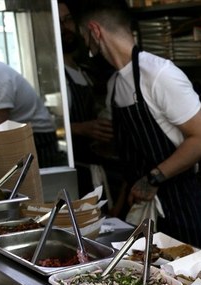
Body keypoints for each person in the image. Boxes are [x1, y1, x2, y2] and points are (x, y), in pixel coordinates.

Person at [72, 0, 201, 247]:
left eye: (85, 35)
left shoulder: (159, 74)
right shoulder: (115, 85)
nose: (86, 44)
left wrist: (153, 178)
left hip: (178, 205)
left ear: (95, 31)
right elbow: (135, 158)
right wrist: (116, 209)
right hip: (138, 207)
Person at [58, 0, 117, 200]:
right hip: (74, 173)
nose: (64, 27)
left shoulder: (86, 71)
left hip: (100, 167)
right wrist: (79, 128)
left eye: (67, 20)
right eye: (57, 23)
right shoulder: (53, 76)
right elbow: (40, 128)